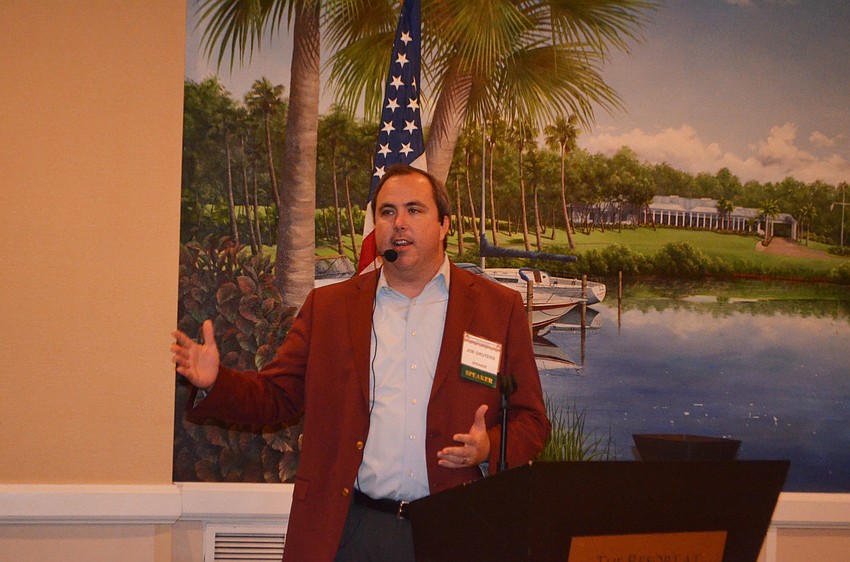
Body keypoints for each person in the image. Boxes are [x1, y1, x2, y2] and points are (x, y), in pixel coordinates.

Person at [171, 164, 550, 562]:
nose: (399, 223)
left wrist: (488, 446)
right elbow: (277, 396)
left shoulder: (496, 308)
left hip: (457, 528)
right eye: (387, 212)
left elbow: (531, 420)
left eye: (414, 210)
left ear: (444, 225)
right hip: (353, 529)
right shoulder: (331, 308)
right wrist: (217, 382)